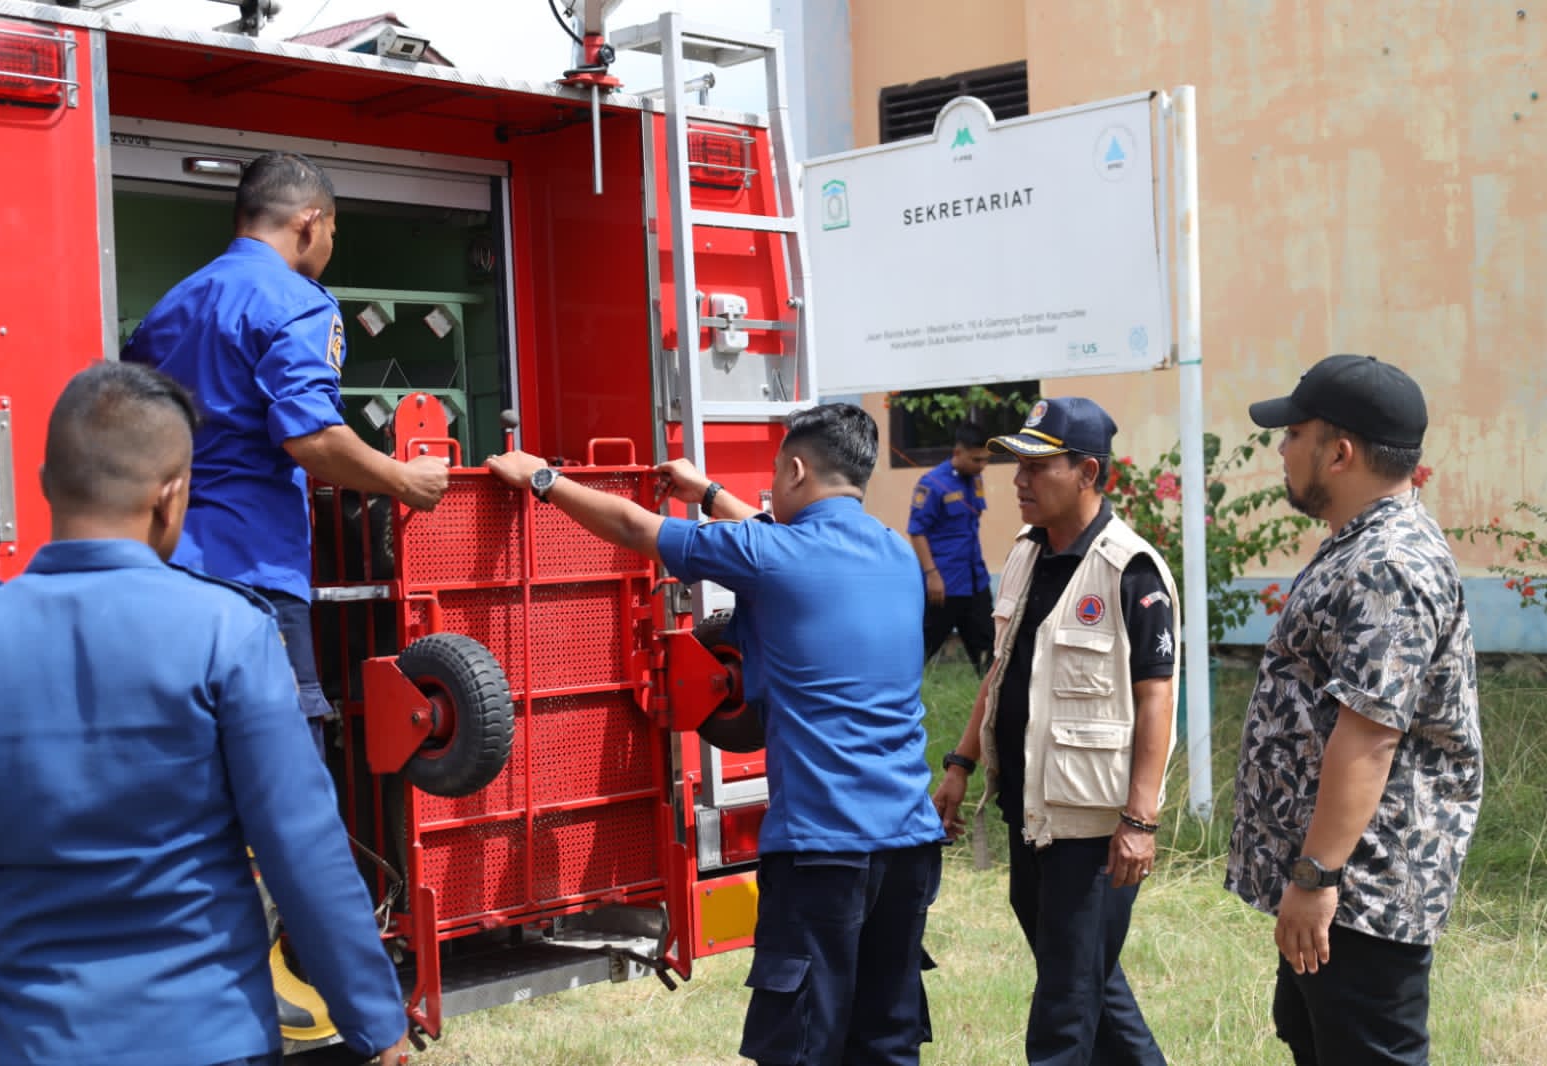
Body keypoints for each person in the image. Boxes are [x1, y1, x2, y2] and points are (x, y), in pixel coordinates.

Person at [0, 363, 409, 1066]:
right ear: (172, 496)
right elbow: (300, 847)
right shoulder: (230, 632)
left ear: (45, 483)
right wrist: (376, 1022)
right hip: (208, 1035)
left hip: (41, 1043)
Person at [486, 404, 944, 1066]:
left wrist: (544, 480)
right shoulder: (895, 554)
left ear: (794, 469)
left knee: (802, 1044)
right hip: (907, 845)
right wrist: (706, 492)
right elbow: (773, 542)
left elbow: (633, 526)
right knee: (885, 1039)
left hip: (824, 848)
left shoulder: (772, 554)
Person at [123, 150, 450, 756]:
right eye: (331, 231)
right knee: (282, 773)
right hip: (251, 578)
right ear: (308, 221)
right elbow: (313, 438)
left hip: (160, 573)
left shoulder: (170, 307)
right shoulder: (298, 300)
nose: (328, 245)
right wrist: (405, 480)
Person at [1229, 354, 1483, 1066]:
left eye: (1293, 433)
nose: (1280, 448)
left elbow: (1369, 737)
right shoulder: (1362, 545)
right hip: (1338, 879)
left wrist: (1315, 877)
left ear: (1337, 452)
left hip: (1361, 885)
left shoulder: (1386, 565)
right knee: (1312, 1037)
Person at [932, 396, 1178, 1066]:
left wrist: (1140, 819)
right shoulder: (1025, 553)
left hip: (1093, 831)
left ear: (1087, 472)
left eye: (1037, 467)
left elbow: (1156, 698)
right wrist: (960, 762)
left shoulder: (1130, 570)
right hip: (1030, 816)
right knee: (1089, 988)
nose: (1017, 480)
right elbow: (1001, 672)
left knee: (1060, 1022)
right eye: (1016, 465)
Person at [909, 422, 995, 673]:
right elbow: (917, 531)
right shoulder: (932, 484)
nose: (982, 466)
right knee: (923, 648)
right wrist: (931, 575)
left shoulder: (974, 479)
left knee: (988, 648)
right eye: (976, 460)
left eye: (985, 460)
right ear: (958, 453)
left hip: (975, 579)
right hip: (944, 583)